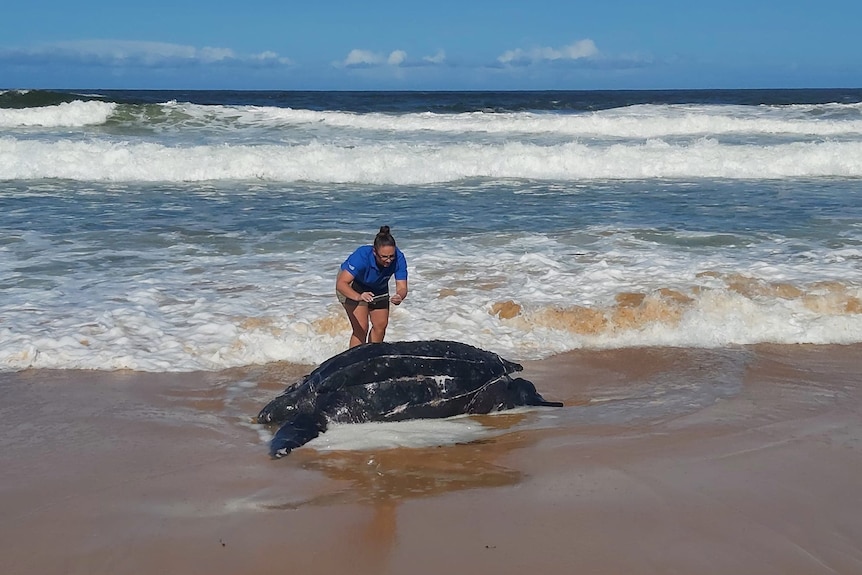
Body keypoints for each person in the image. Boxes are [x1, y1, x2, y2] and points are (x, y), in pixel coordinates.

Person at [336, 226, 408, 348]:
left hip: (378, 287)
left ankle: (371, 357)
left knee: (380, 326)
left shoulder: (399, 258)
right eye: (384, 257)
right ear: (375, 252)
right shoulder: (362, 256)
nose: (388, 260)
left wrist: (399, 296)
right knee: (361, 328)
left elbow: (402, 287)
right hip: (353, 286)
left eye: (391, 256)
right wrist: (358, 297)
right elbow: (341, 284)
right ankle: (354, 361)